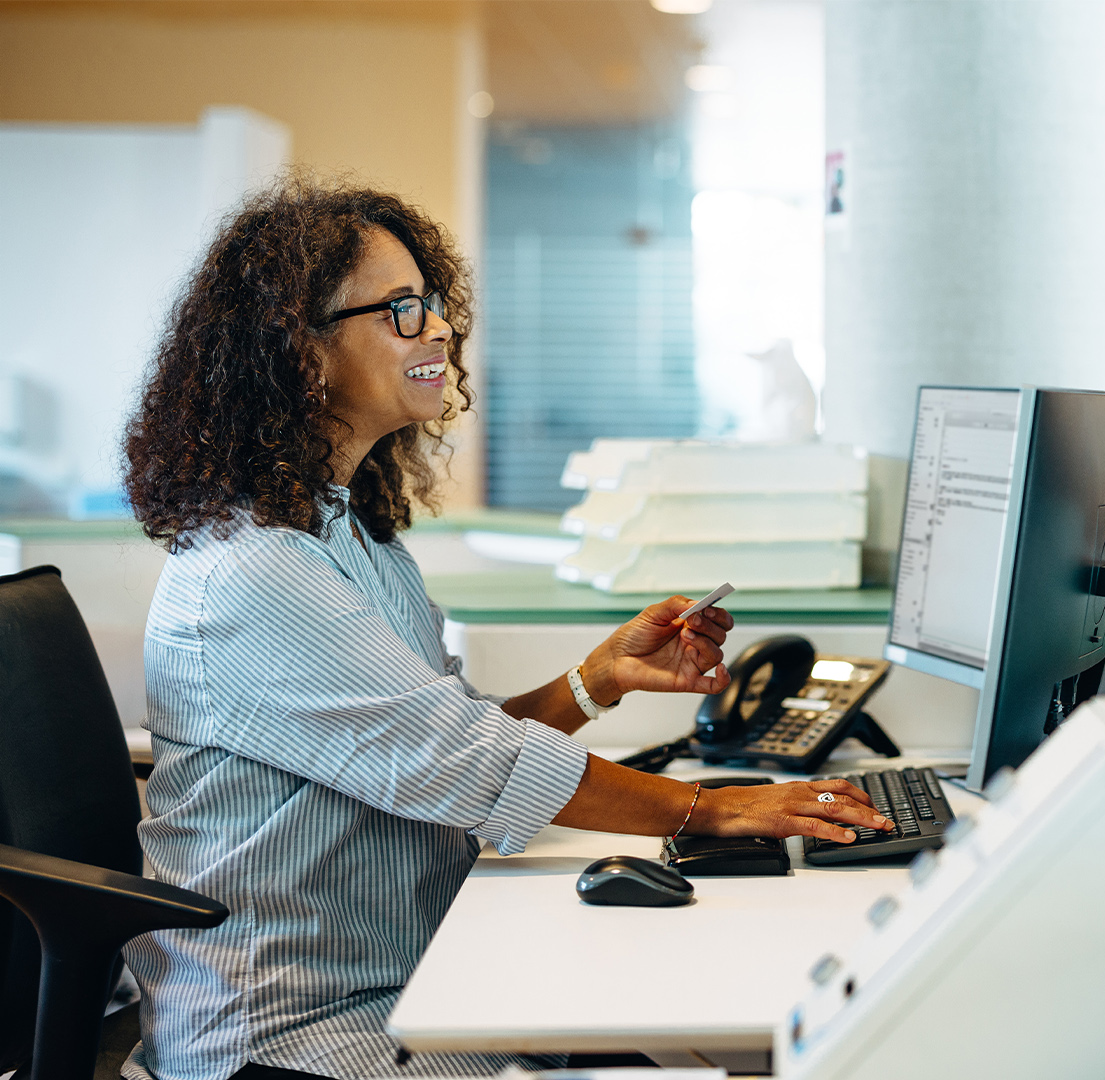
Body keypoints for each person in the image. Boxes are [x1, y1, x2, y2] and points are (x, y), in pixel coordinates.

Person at [118, 177, 894, 1080]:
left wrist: (593, 681)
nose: (439, 330)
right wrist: (710, 809)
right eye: (399, 310)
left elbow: (440, 729)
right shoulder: (256, 572)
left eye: (432, 304)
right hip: (298, 1031)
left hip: (403, 976)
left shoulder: (338, 528)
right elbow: (468, 763)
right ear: (301, 350)